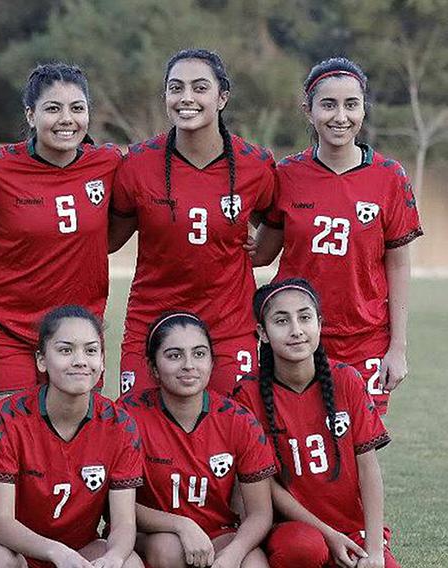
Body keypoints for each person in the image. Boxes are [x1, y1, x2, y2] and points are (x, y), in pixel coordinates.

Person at [252, 57, 423, 415]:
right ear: (308, 110)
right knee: (298, 446)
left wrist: (398, 348)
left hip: (365, 341)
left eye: (351, 104)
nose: (340, 116)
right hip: (296, 337)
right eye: (328, 104)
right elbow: (261, 254)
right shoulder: (286, 174)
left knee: (359, 451)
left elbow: (398, 265)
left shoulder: (389, 176)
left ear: (364, 109)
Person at [109, 48, 276, 399]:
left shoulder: (255, 165)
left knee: (235, 433)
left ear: (222, 97)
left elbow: (276, 220)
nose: (187, 98)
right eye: (176, 87)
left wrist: (257, 249)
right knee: (139, 434)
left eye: (200, 88)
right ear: (166, 96)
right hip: (151, 322)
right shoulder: (138, 164)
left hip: (229, 326)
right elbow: (108, 241)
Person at [0, 63, 122, 428]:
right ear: (31, 114)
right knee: (3, 440)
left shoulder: (109, 164)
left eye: (77, 108)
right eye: (53, 108)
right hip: (3, 327)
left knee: (74, 444)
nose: (66, 119)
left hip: (77, 332)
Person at [233, 278, 397, 568]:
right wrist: (328, 534)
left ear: (319, 324)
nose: (296, 330)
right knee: (303, 548)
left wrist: (374, 551)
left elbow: (368, 468)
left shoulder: (346, 379)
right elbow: (266, 485)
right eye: (282, 321)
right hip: (293, 530)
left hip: (351, 529)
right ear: (263, 333)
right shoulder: (248, 392)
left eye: (305, 318)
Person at [0, 305, 144, 568]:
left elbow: (124, 523)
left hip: (80, 548)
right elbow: (1, 524)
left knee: (129, 564)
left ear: (102, 360)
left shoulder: (120, 424)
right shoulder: (7, 417)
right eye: (65, 350)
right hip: (12, 548)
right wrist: (55, 552)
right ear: (41, 360)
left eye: (91, 350)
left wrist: (114, 557)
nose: (80, 360)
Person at [120, 312, 274, 568]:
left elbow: (260, 513)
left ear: (213, 362)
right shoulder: (128, 416)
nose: (189, 364)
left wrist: (233, 555)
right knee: (168, 548)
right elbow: (112, 506)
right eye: (174, 355)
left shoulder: (237, 418)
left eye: (199, 354)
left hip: (218, 532)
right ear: (152, 368)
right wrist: (181, 525)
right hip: (149, 535)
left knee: (253, 562)